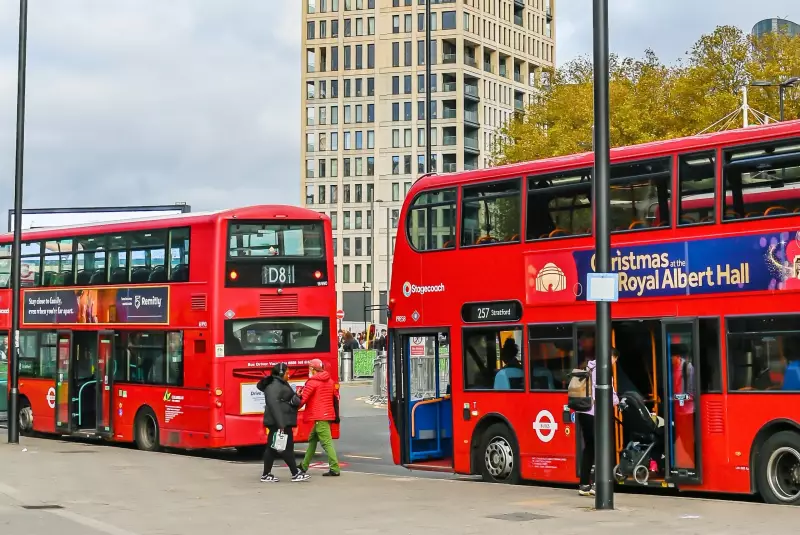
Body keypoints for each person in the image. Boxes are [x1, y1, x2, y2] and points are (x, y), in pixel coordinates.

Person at [575, 333, 619, 497]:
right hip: (594, 414)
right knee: (599, 447)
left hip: (582, 412)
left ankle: (584, 484)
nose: (615, 362)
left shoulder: (588, 366)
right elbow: (611, 396)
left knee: (589, 448)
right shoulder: (605, 371)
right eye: (615, 359)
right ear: (612, 357)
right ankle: (596, 484)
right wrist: (619, 401)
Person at [256, 363, 310, 483]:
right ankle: (295, 473)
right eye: (287, 372)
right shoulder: (274, 386)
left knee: (274, 447)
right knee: (284, 448)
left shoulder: (280, 383)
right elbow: (274, 406)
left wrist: (296, 396)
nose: (289, 375)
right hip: (279, 422)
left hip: (283, 421)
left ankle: (266, 474)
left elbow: (284, 402)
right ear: (281, 373)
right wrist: (281, 424)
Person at [298, 358, 340, 477]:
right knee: (312, 439)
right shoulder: (330, 381)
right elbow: (335, 398)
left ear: (313, 369)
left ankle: (335, 468)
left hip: (319, 416)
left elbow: (303, 400)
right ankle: (304, 465)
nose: (309, 370)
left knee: (326, 442)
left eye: (309, 368)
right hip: (328, 415)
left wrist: (295, 401)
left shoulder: (312, 382)